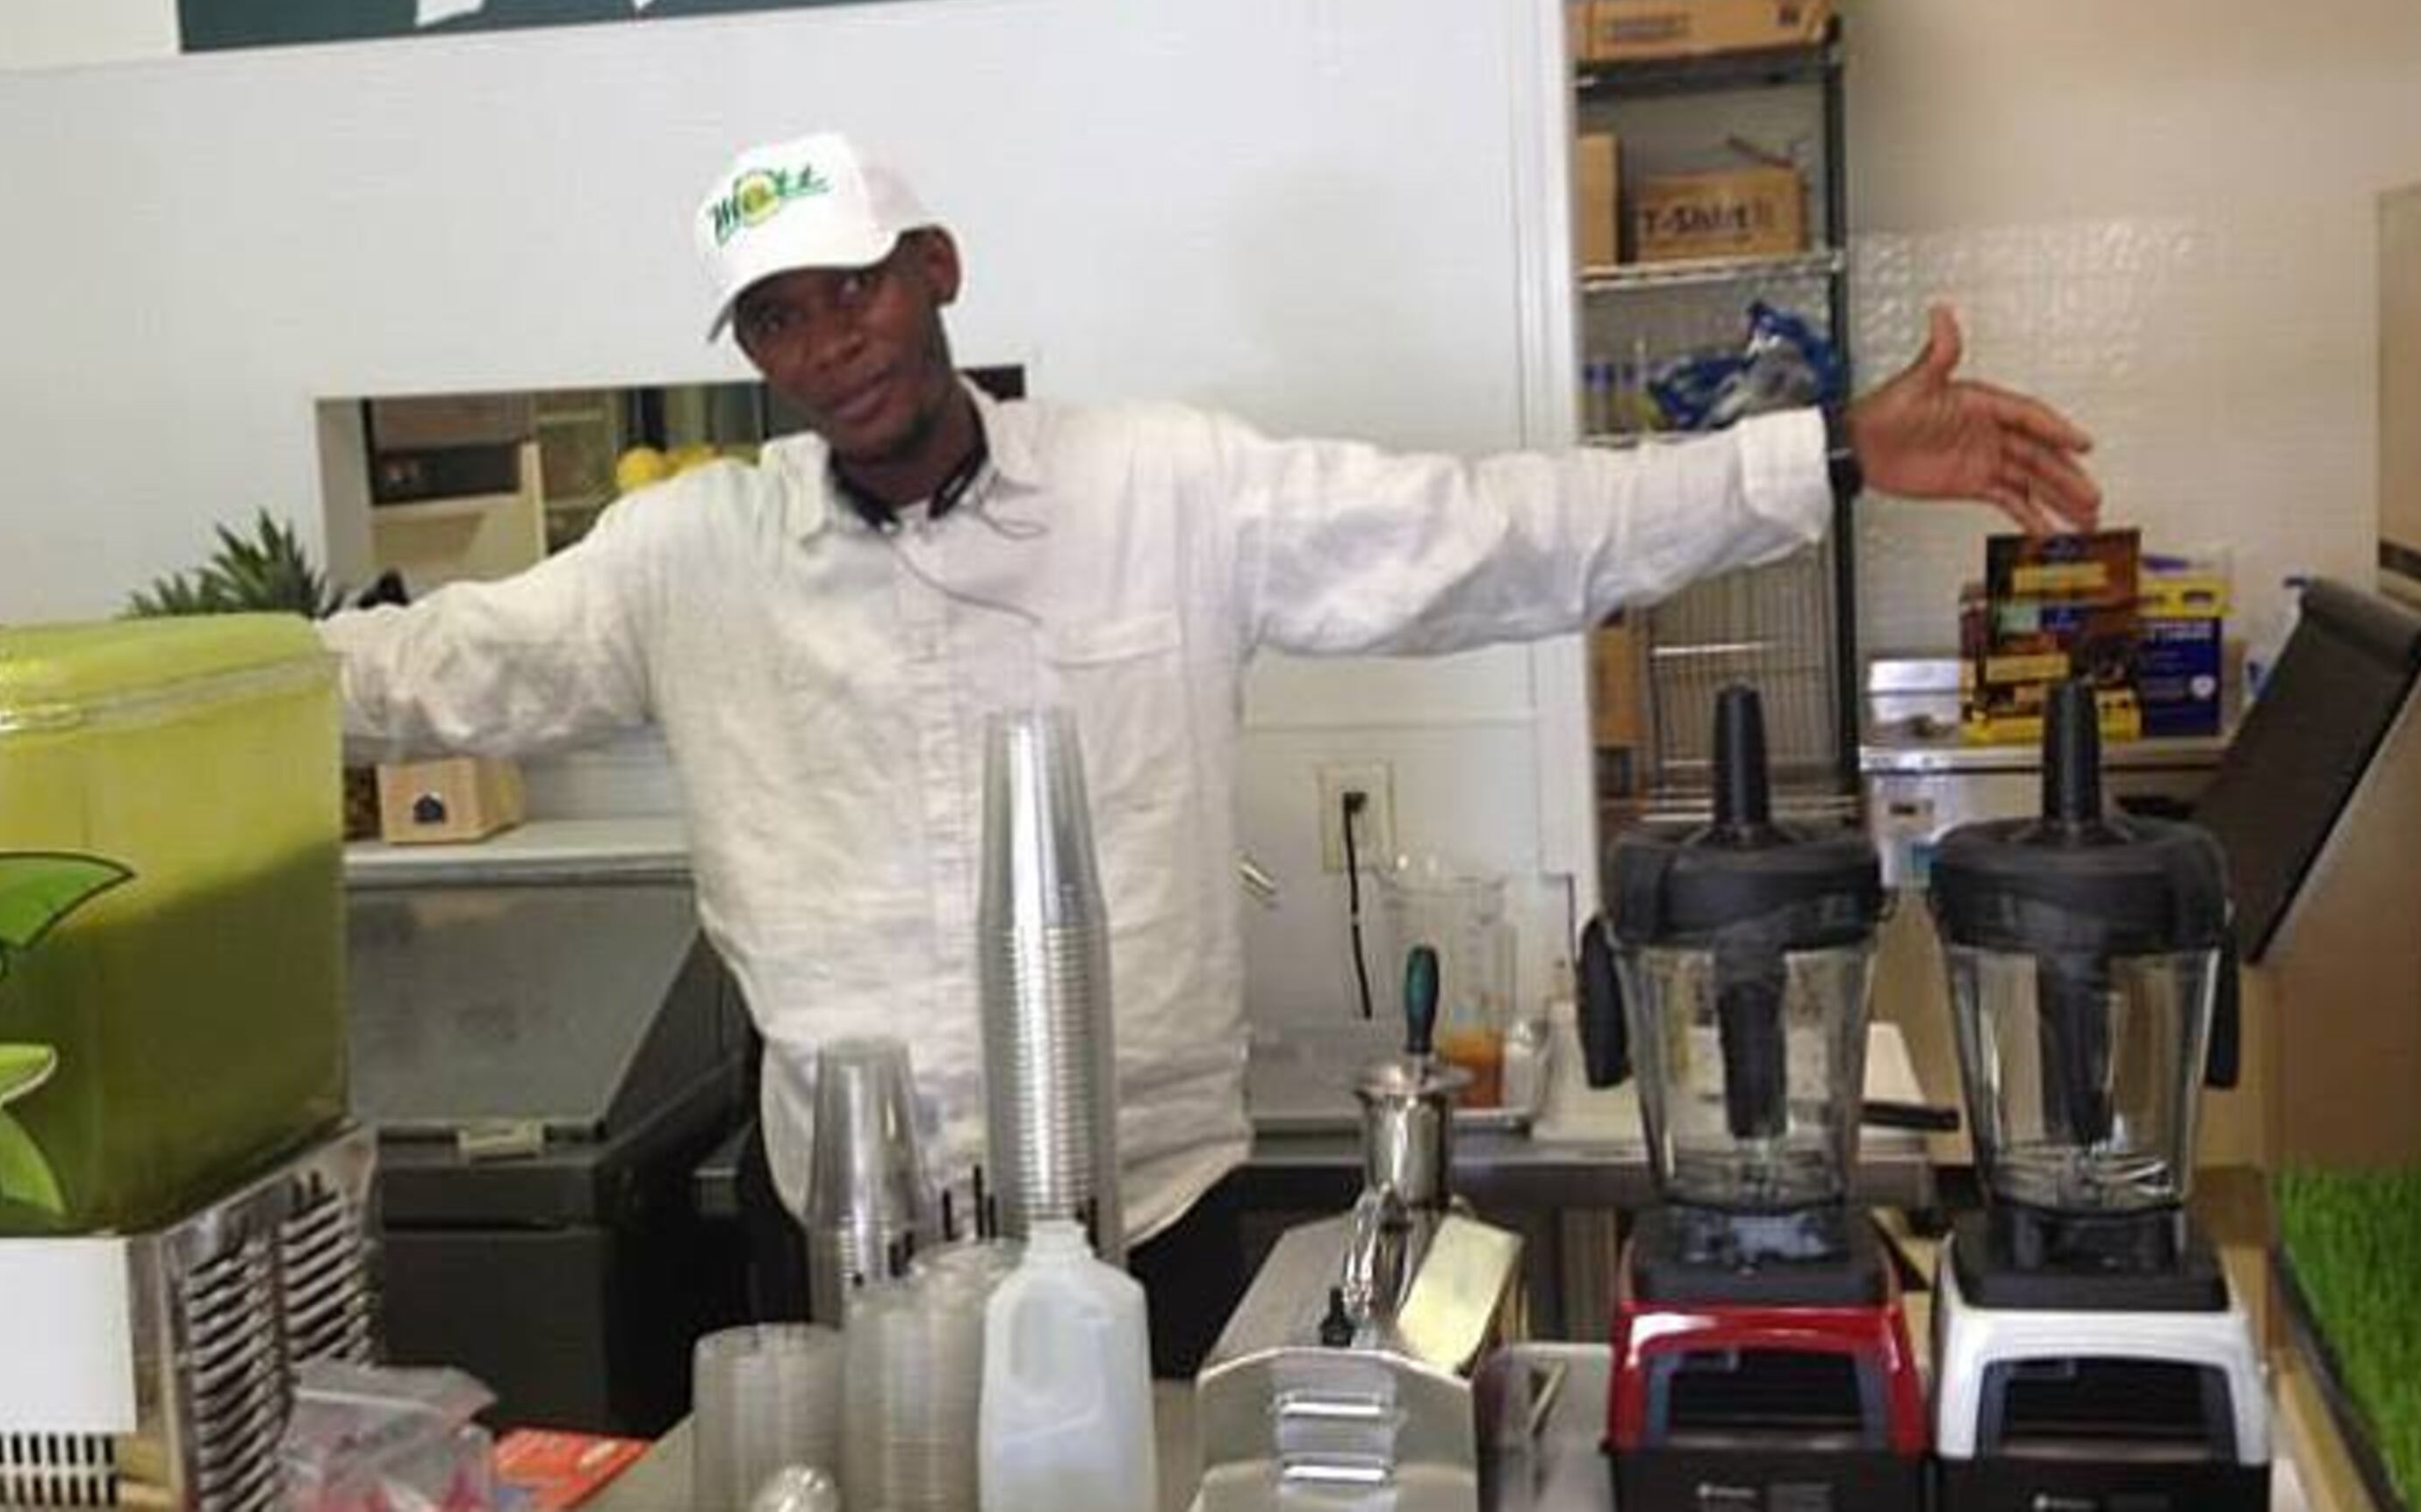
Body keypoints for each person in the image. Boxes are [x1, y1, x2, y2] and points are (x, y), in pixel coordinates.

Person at [321, 131, 2098, 1368]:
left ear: (934, 272)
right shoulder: (689, 559)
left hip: (1141, 1213)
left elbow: (1492, 531)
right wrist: (84, 678)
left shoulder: (1165, 487)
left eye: (851, 290)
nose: (826, 345)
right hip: (847, 1224)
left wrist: (1828, 460)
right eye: (777, 317)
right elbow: (431, 671)